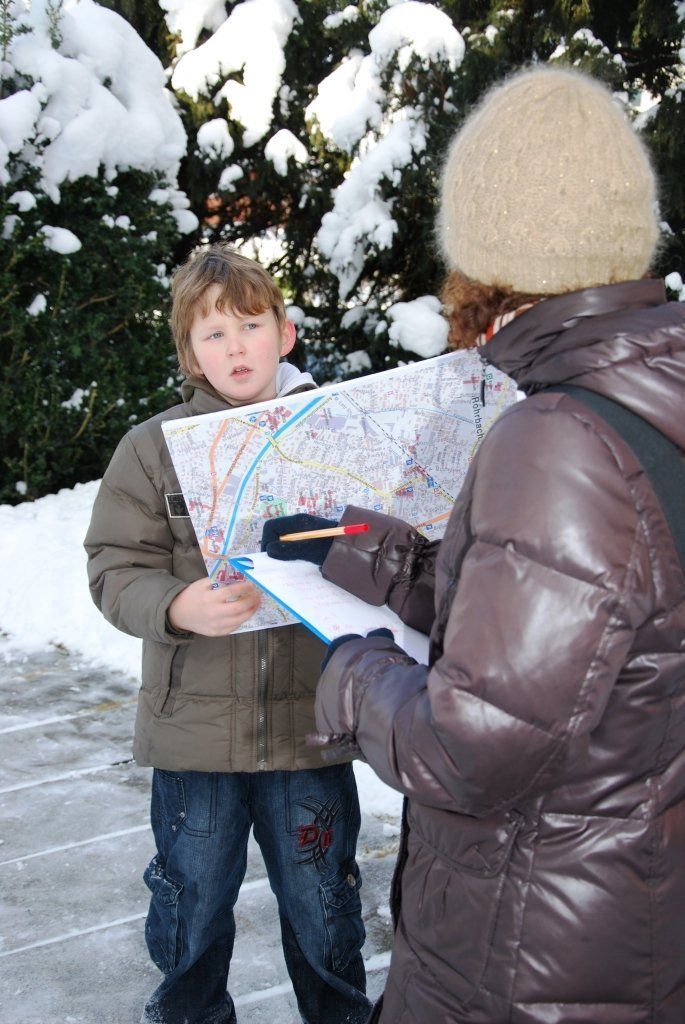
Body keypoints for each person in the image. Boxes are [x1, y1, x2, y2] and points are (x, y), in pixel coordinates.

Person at [262, 68, 685, 1022]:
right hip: (626, 915)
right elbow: (589, 627)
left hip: (522, 949)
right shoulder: (647, 399)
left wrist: (353, 669)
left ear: (490, 255)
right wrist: (372, 553)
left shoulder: (562, 441)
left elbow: (470, 749)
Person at [84, 245, 372, 1024]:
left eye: (250, 325)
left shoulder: (337, 435)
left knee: (324, 904)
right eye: (213, 334)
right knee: (190, 905)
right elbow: (114, 565)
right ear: (190, 352)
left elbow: (386, 551)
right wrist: (176, 605)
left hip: (308, 731)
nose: (235, 346)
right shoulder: (152, 449)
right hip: (194, 740)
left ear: (285, 333)